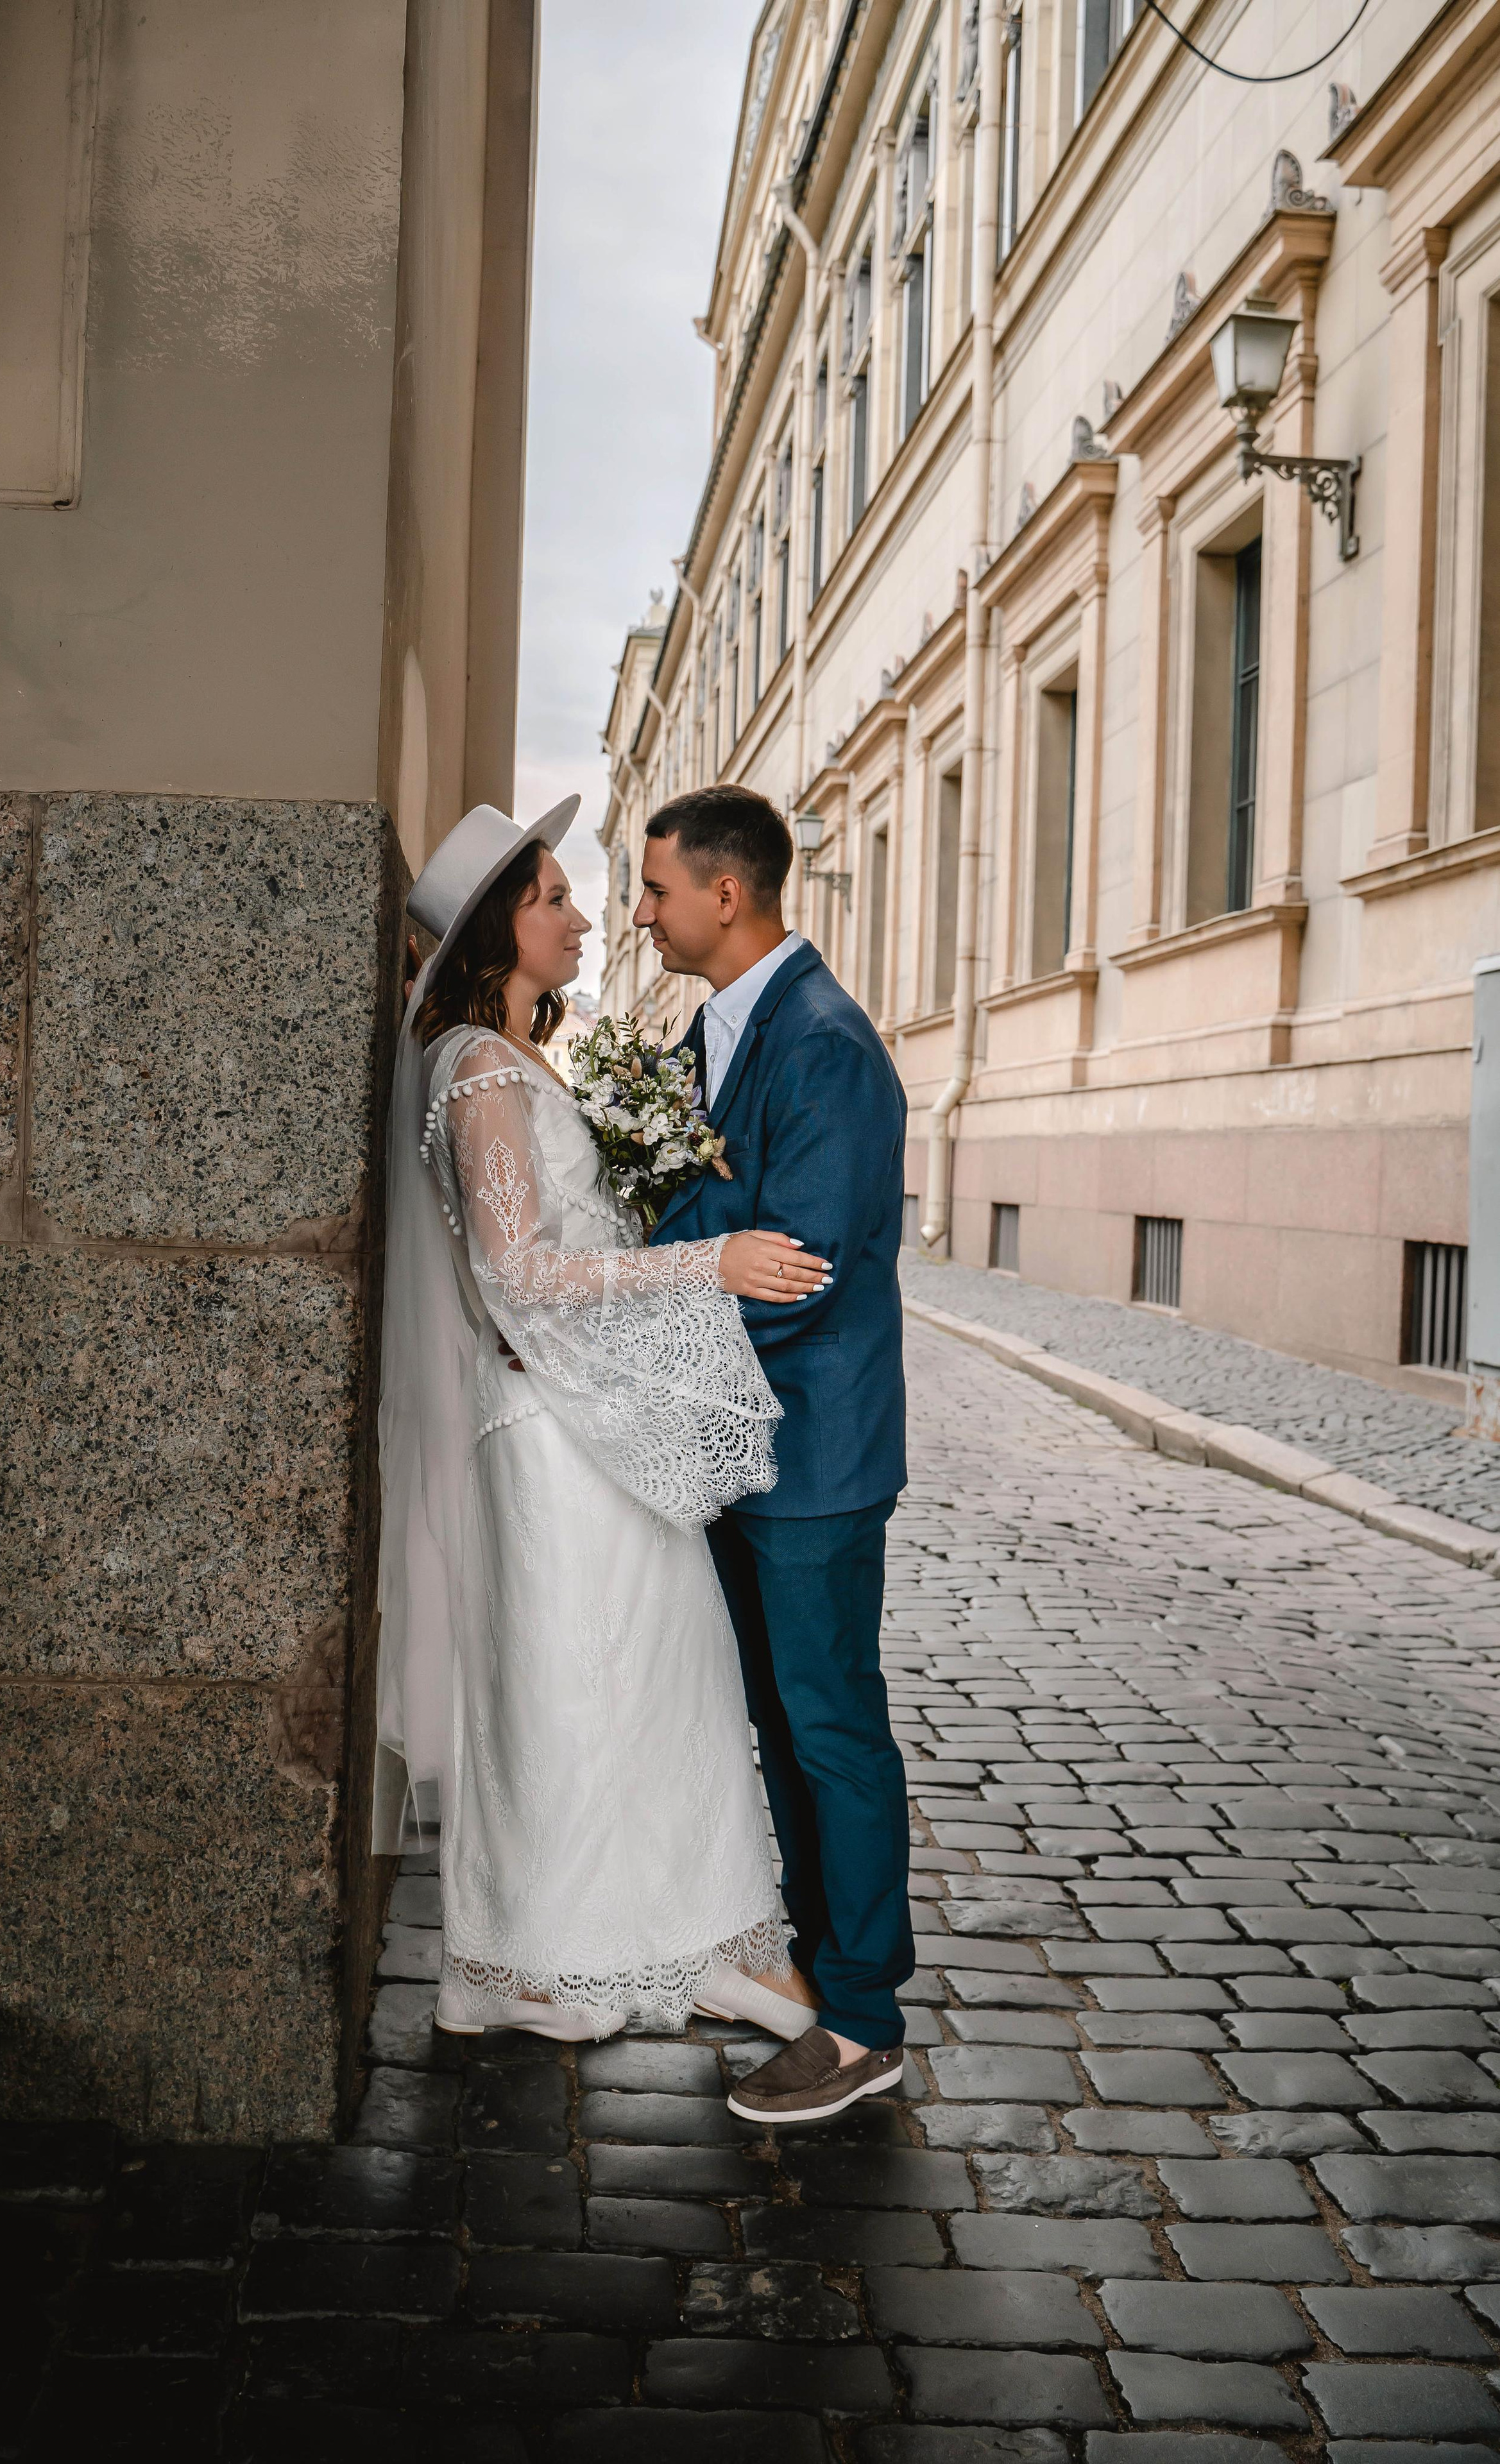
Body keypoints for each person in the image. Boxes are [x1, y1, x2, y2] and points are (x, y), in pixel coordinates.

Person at [373, 797, 833, 2043]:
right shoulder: (475, 1067)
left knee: (647, 1684)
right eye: (555, 900)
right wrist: (708, 1263)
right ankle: (528, 1961)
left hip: (587, 1415)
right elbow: (515, 1273)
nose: (587, 921)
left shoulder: (516, 1060)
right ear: (495, 934)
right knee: (568, 1695)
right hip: (545, 1430)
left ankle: (676, 1937)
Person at [638, 783, 915, 2124]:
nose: (641, 913)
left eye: (653, 890)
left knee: (831, 1728)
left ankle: (864, 2018)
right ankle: (817, 1970)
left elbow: (790, 1268)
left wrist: (627, 1317)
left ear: (723, 894)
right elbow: (700, 1207)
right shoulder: (717, 1028)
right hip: (743, 1444)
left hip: (812, 1454)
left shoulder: (823, 1043)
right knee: (779, 1727)